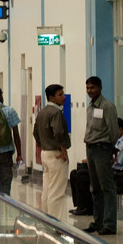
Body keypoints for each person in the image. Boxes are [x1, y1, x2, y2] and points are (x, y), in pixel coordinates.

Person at [83, 75, 119, 235]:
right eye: (88, 88)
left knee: (107, 187)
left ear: (100, 88)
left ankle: (109, 224)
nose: (90, 91)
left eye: (92, 88)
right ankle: (98, 222)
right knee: (95, 188)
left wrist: (110, 149)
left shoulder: (107, 106)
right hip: (90, 148)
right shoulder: (90, 107)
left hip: (102, 148)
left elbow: (113, 131)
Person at [33, 83, 70, 218]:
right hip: (56, 154)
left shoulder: (42, 112)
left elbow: (35, 132)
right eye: (60, 95)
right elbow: (59, 132)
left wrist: (43, 144)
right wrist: (63, 150)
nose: (64, 97)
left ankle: (46, 218)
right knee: (57, 192)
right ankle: (57, 223)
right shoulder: (56, 113)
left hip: (45, 153)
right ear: (51, 97)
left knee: (47, 189)